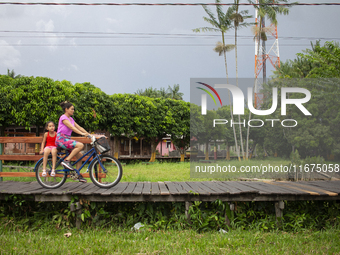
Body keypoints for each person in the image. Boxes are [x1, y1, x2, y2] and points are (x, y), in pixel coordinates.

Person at [55, 101, 90, 183]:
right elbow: (72, 127)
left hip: (67, 140)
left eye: (73, 109)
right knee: (80, 145)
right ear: (66, 109)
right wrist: (82, 134)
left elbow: (79, 127)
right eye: (72, 109)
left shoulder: (71, 119)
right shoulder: (63, 117)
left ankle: (76, 175)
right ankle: (66, 161)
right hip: (61, 140)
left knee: (80, 156)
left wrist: (89, 135)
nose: (73, 110)